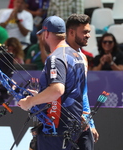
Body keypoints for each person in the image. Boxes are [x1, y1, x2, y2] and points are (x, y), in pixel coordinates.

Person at [18, 16, 86, 150]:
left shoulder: (55, 57)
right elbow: (68, 90)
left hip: (57, 127)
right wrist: (40, 95)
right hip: (72, 125)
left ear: (47, 33)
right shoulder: (77, 55)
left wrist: (30, 102)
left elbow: (57, 90)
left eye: (43, 34)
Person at [66, 13, 99, 150]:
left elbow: (83, 93)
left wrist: (90, 123)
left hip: (81, 124)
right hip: (63, 124)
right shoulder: (59, 56)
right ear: (72, 32)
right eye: (84, 32)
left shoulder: (83, 58)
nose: (88, 35)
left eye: (89, 32)